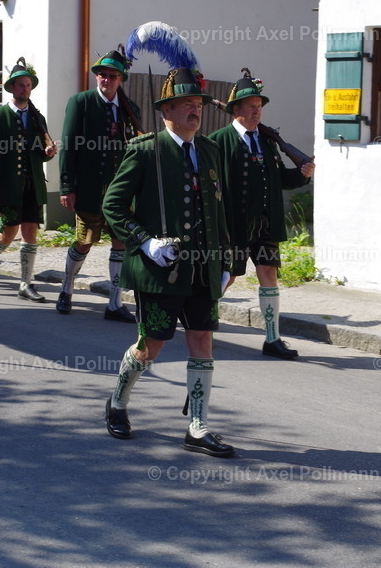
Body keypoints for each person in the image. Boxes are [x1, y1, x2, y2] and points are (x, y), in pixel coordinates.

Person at [102, 67, 235, 458]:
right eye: (188, 105)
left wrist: (226, 261)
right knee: (151, 346)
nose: (196, 111)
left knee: (202, 340)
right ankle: (118, 403)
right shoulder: (145, 150)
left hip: (203, 269)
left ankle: (197, 426)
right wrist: (145, 242)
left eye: (199, 105)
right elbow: (113, 206)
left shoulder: (210, 150)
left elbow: (218, 209)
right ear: (168, 111)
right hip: (162, 271)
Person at [208, 69, 314, 360]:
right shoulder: (219, 140)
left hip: (267, 223)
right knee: (227, 276)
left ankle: (272, 338)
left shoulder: (267, 142)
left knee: (268, 274)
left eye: (259, 107)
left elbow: (279, 179)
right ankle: (203, 324)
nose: (257, 112)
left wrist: (303, 175)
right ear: (236, 110)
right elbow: (210, 187)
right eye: (251, 107)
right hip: (235, 225)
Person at [55, 46, 139, 321]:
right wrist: (67, 187)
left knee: (120, 243)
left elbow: (135, 151)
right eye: (102, 74)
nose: (106, 79)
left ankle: (115, 303)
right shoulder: (80, 102)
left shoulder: (130, 109)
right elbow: (68, 146)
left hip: (119, 193)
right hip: (89, 189)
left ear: (121, 79)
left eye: (112, 76)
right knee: (83, 242)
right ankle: (66, 288)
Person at [0, 57, 57, 301]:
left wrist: (48, 153)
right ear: (11, 88)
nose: (25, 89)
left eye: (28, 85)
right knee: (9, 230)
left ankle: (26, 283)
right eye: (20, 85)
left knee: (31, 230)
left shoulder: (37, 118)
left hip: (32, 184)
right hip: (7, 185)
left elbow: (38, 155)